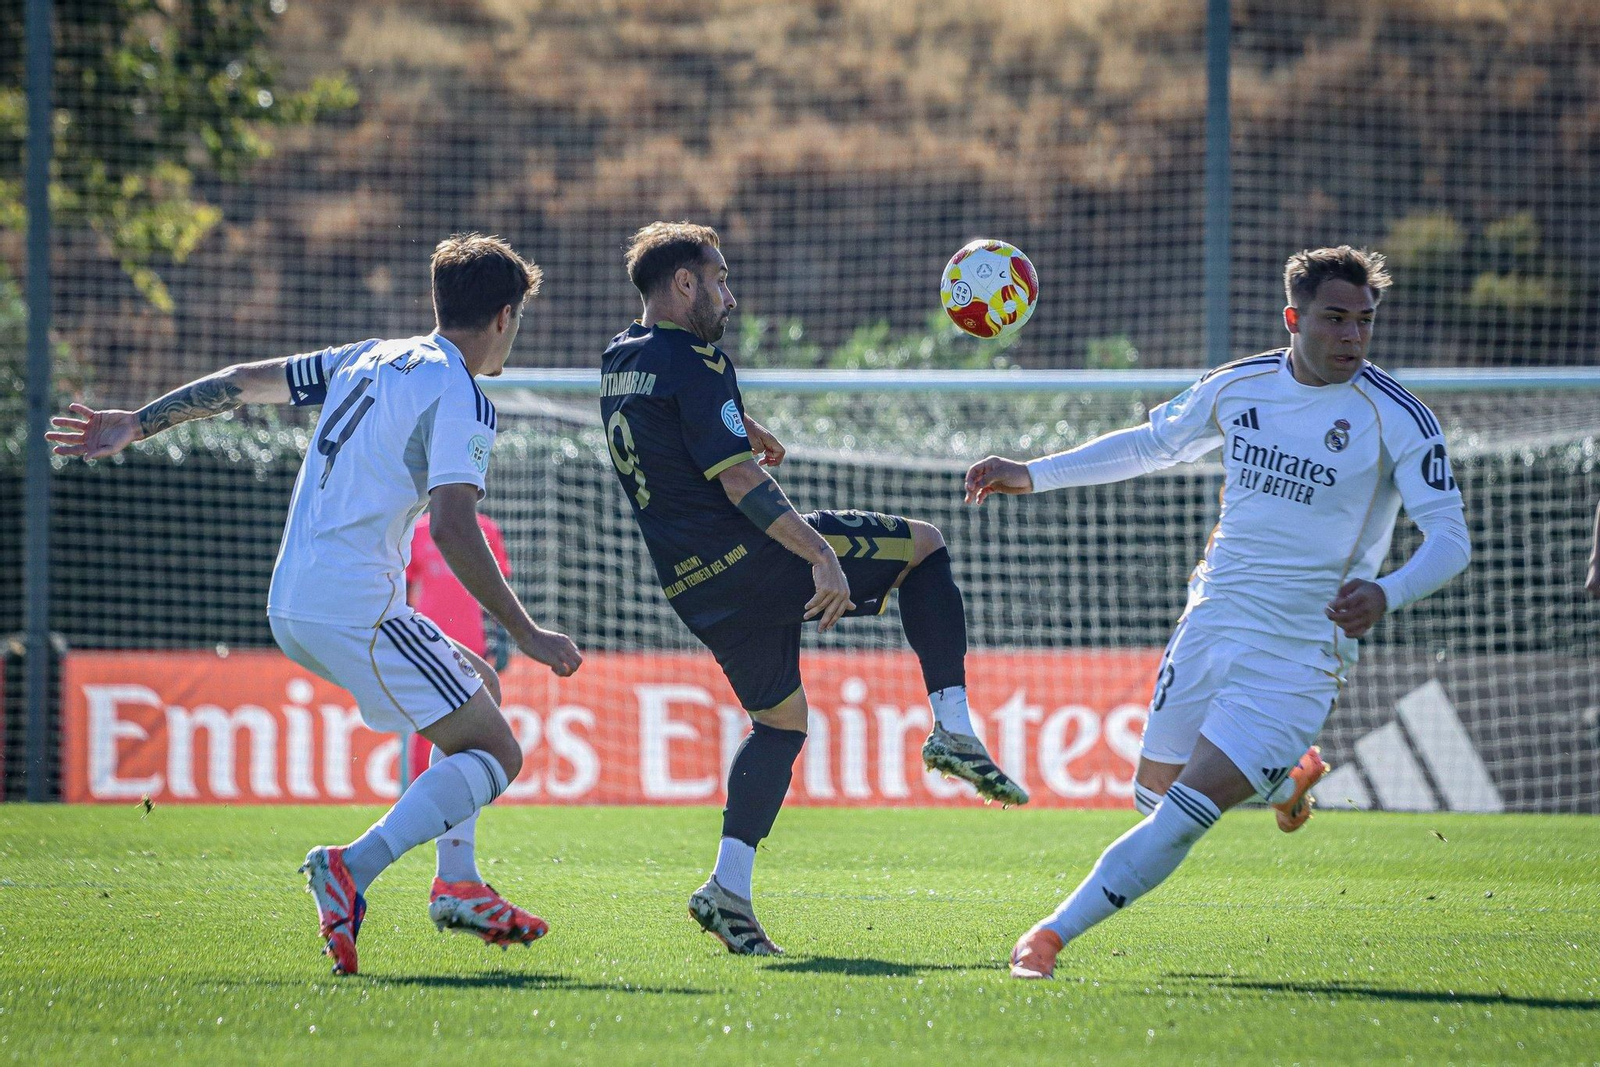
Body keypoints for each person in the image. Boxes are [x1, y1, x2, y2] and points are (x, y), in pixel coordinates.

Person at [47, 233, 582, 976]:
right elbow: (453, 526)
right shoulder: (463, 395)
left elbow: (241, 382)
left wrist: (138, 421)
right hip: (355, 607)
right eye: (517, 320)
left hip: (293, 598)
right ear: (503, 316)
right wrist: (525, 630)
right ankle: (351, 868)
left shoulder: (366, 356)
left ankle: (458, 881)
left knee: (477, 686)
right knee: (497, 753)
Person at [965, 247, 1471, 980]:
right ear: (1294, 319)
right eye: (1335, 319)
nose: (1353, 336)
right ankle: (1284, 781)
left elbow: (1451, 539)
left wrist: (1387, 592)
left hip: (1302, 652)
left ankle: (1047, 937)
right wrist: (1032, 473)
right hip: (1211, 619)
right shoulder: (1239, 386)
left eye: (1364, 321)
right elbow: (1151, 445)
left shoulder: (1397, 417)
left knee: (1179, 819)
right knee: (1152, 796)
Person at [601, 221, 1027, 956]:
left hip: (693, 587)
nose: (729, 296)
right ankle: (954, 727)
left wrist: (739, 421)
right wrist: (820, 555)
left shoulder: (620, 356)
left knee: (782, 725)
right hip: (756, 558)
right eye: (719, 279)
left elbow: (668, 411)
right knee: (926, 547)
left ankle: (728, 890)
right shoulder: (699, 361)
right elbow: (740, 481)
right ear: (684, 283)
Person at [404, 510, 513, 785]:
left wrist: (502, 637)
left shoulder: (487, 529)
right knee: (425, 719)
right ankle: (420, 790)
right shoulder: (416, 530)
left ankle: (472, 786)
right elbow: (403, 589)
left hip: (473, 642)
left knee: (475, 720)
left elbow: (500, 589)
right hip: (426, 641)